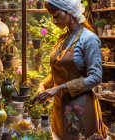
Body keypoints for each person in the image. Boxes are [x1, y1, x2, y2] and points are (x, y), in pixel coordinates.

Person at [31, 0, 107, 139]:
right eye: (52, 16)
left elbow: (96, 78)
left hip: (80, 108)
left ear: (70, 12)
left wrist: (59, 88)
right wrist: (44, 85)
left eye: (57, 15)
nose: (54, 21)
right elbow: (57, 73)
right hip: (60, 107)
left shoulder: (89, 39)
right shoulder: (62, 39)